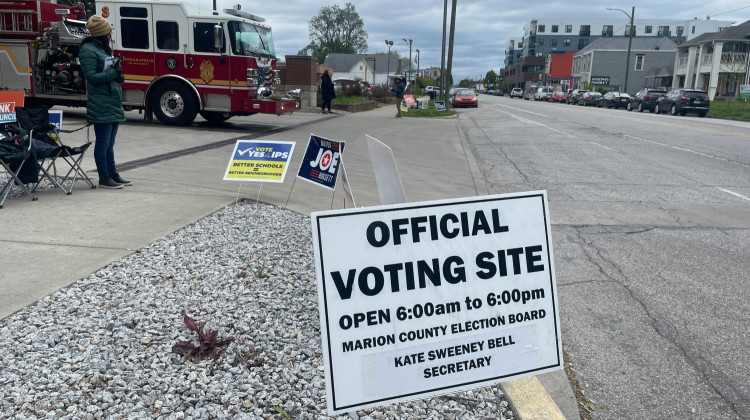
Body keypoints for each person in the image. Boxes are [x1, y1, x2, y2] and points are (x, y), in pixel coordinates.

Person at [80, 15, 131, 189]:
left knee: (110, 143)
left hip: (111, 101)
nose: (111, 34)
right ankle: (104, 177)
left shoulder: (102, 49)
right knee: (103, 143)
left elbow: (110, 74)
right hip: (101, 103)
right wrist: (113, 73)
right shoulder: (88, 50)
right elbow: (92, 77)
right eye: (109, 31)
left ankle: (113, 174)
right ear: (102, 33)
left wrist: (119, 74)